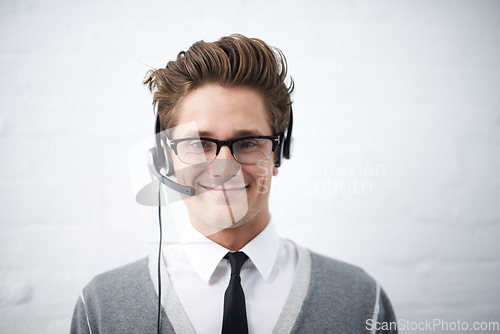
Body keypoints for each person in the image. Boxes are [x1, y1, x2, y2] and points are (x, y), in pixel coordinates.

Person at [70, 34, 398, 334]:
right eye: (199, 143)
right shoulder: (101, 305)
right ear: (167, 159)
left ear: (278, 153)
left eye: (248, 142)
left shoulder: (360, 298)